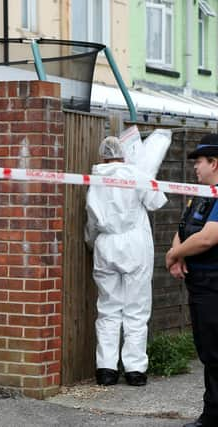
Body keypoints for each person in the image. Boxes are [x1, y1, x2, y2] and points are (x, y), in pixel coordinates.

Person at [84, 136, 167, 387]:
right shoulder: (136, 174)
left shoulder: (95, 179)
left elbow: (90, 219)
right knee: (136, 309)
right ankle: (134, 370)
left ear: (102, 156)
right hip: (134, 244)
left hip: (105, 243)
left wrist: (90, 242)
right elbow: (156, 202)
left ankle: (106, 369)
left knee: (108, 308)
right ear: (124, 154)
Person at [166, 134, 218, 427]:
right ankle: (211, 414)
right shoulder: (201, 194)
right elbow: (185, 226)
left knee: (215, 354)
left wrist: (173, 255)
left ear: (214, 162)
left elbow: (209, 237)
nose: (195, 167)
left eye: (199, 162)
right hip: (199, 286)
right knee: (208, 353)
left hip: (214, 284)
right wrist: (179, 253)